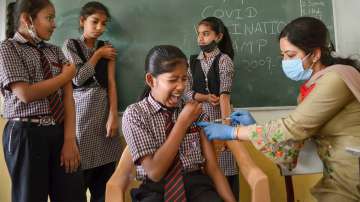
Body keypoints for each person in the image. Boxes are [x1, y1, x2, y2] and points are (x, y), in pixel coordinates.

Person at [197, 16, 360, 202]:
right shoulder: (316, 84)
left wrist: (234, 132)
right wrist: (256, 126)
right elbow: (297, 137)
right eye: (282, 55)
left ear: (315, 54)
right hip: (339, 176)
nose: (285, 61)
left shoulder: (335, 80)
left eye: (290, 55)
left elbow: (292, 128)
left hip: (352, 176)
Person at [121, 45, 236, 201]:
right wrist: (182, 122)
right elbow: (154, 172)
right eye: (173, 80)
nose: (181, 86)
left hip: (197, 186)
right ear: (151, 80)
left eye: (184, 79)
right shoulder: (136, 114)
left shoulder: (195, 111)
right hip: (154, 190)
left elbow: (213, 168)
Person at [0, 0, 85, 202]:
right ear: (27, 19)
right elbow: (25, 94)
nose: (54, 24)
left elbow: (67, 97)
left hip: (60, 130)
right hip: (26, 134)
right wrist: (65, 76)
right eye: (49, 18)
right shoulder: (8, 48)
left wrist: (69, 139)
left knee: (72, 194)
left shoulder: (54, 51)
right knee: (30, 196)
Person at [62, 1, 122, 201]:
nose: (100, 28)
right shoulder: (71, 45)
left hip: (104, 114)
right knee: (79, 178)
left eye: (103, 23)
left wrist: (114, 115)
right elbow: (77, 78)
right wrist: (97, 55)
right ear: (82, 21)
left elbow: (112, 83)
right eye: (95, 22)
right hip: (81, 117)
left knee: (104, 183)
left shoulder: (108, 48)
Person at [185, 16, 239, 200]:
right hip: (199, 121)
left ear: (218, 36)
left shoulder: (224, 60)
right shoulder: (192, 61)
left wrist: (226, 132)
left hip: (221, 118)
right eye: (199, 34)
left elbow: (224, 96)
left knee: (225, 167)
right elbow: (186, 92)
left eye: (206, 34)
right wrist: (205, 97)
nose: (201, 38)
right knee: (205, 172)